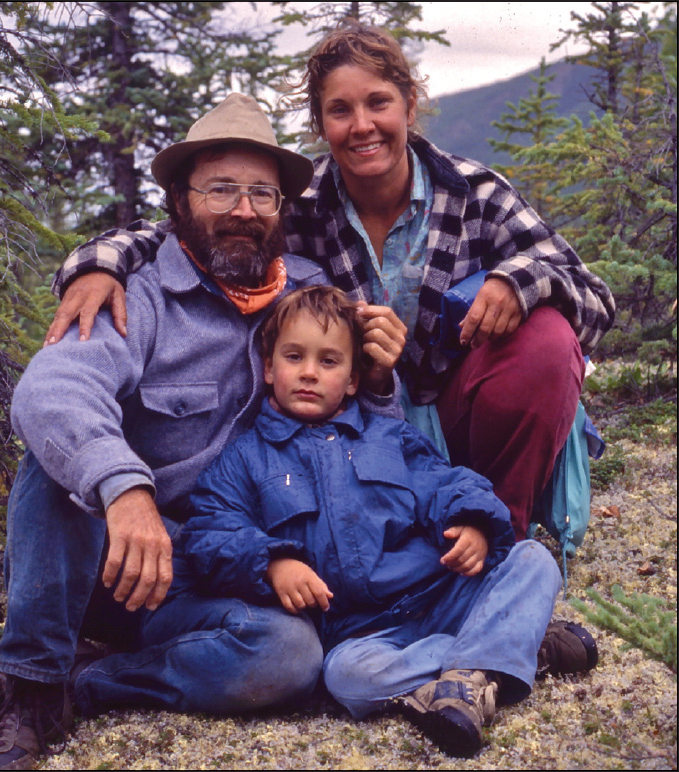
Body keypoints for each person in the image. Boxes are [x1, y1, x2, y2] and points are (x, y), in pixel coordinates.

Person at [0, 93, 405, 772]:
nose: (243, 210)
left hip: (225, 566)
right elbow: (52, 390)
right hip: (116, 560)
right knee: (54, 464)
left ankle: (79, 686)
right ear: (179, 200)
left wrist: (376, 379)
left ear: (282, 210)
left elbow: (372, 438)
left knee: (288, 656)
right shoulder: (132, 293)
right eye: (220, 189)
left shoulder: (311, 296)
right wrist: (126, 489)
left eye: (262, 193)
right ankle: (28, 684)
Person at [45, 22, 615, 542]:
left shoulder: (476, 195)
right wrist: (99, 264)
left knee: (544, 342)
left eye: (378, 103)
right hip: (356, 426)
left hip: (461, 415)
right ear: (321, 125)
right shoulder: (300, 205)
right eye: (340, 110)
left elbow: (593, 300)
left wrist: (520, 281)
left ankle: (503, 537)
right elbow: (194, 230)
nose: (362, 125)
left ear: (409, 105)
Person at [174, 285, 597, 758]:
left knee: (533, 559)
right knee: (346, 679)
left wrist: (474, 522)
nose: (309, 373)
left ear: (354, 380)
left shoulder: (390, 435)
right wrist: (272, 564)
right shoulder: (243, 459)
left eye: (329, 362)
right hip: (361, 632)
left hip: (441, 593)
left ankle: (471, 669)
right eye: (294, 357)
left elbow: (446, 483)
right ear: (269, 368)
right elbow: (212, 529)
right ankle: (509, 652)